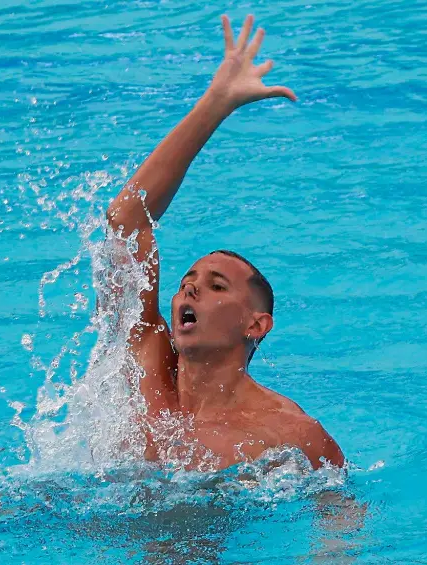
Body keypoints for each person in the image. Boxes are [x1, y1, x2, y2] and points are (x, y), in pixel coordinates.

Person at [106, 14, 344, 471]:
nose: (190, 290)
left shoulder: (289, 433)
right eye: (187, 281)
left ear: (256, 325)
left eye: (217, 286)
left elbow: (341, 516)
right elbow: (126, 219)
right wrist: (216, 102)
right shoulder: (145, 362)